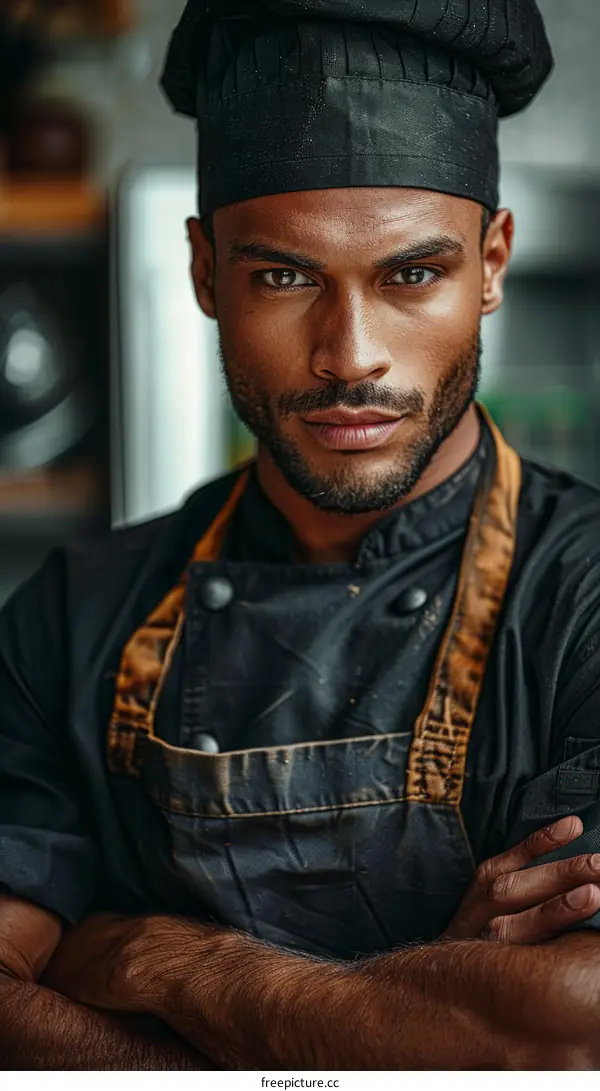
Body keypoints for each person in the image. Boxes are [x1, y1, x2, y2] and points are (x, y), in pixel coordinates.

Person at [2, 0, 600, 1072]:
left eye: (412, 274)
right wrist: (424, 1009)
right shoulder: (68, 617)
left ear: (495, 260)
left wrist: (173, 963)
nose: (349, 355)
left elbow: (565, 1024)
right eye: (283, 275)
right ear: (202, 270)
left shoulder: (586, 598)